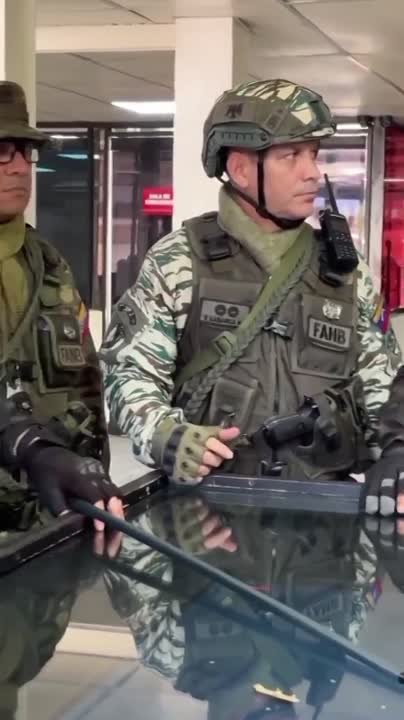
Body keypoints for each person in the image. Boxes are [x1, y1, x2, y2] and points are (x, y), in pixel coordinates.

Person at [100, 78, 401, 513]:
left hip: (320, 519)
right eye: (291, 156)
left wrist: (396, 451)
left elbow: (384, 389)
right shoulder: (179, 261)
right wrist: (165, 434)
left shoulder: (347, 274)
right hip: (205, 517)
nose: (312, 172)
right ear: (242, 169)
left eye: (313, 153)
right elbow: (129, 375)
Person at [0, 81, 122, 531]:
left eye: (25, 152)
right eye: (2, 152)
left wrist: (93, 475)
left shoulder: (49, 264)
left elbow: (85, 383)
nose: (19, 167)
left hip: (49, 520)